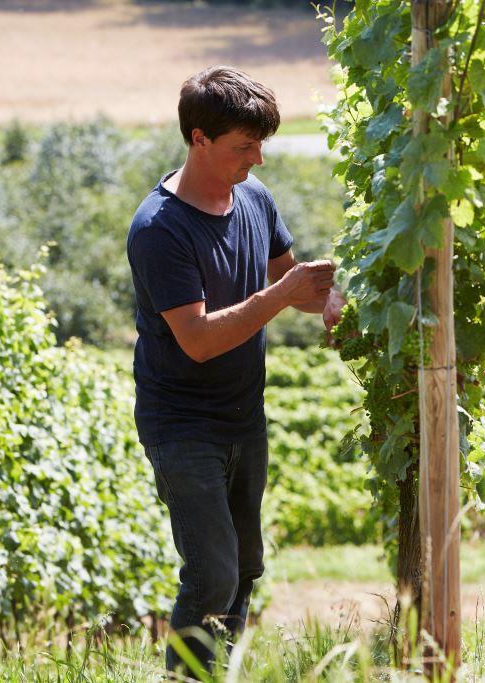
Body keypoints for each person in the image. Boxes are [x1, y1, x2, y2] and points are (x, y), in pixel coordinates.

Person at [126, 65, 344, 675]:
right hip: (181, 425)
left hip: (244, 417)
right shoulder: (159, 229)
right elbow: (196, 340)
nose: (258, 160)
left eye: (261, 144)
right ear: (198, 139)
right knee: (213, 572)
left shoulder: (254, 199)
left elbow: (286, 282)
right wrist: (284, 295)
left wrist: (329, 302)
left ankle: (212, 673)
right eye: (242, 147)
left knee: (245, 567)